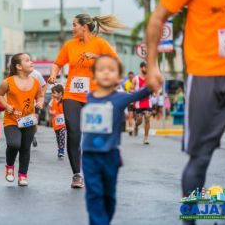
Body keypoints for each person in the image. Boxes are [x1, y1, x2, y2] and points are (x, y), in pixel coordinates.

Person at [146, 0, 225, 224]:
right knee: (200, 158)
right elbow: (158, 17)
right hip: (205, 78)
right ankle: (189, 221)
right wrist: (152, 65)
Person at [48, 13, 124, 188]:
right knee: (74, 133)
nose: (72, 28)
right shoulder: (69, 45)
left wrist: (97, 58)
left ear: (84, 27)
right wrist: (53, 73)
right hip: (72, 95)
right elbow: (57, 63)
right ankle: (77, 174)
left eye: (74, 24)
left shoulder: (100, 44)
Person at [81, 55, 150, 225]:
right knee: (94, 195)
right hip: (89, 156)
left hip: (110, 156)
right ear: (94, 75)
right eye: (101, 69)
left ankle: (103, 220)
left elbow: (146, 91)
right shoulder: (87, 98)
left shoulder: (121, 98)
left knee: (109, 198)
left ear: (119, 77)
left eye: (111, 70)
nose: (106, 73)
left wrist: (154, 72)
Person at [0, 53, 44, 186]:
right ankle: (10, 167)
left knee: (25, 148)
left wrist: (40, 102)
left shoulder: (35, 82)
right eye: (27, 60)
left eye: (30, 59)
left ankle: (23, 175)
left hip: (29, 120)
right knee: (14, 144)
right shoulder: (8, 82)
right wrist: (6, 106)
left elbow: (40, 96)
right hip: (12, 120)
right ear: (18, 66)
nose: (31, 62)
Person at [131, 62, 152, 144]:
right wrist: (133, 94)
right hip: (138, 102)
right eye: (145, 67)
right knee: (139, 120)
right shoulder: (135, 79)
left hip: (147, 101)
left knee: (147, 117)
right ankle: (136, 126)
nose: (147, 69)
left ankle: (146, 138)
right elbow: (131, 89)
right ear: (141, 68)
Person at [29, 69, 47, 147]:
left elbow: (44, 85)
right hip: (22, 101)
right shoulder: (17, 73)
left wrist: (41, 97)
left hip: (35, 101)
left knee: (34, 120)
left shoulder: (36, 74)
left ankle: (32, 135)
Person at [49, 84, 66, 159]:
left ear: (60, 93)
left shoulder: (64, 101)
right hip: (55, 123)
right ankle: (59, 149)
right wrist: (51, 112)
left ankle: (62, 150)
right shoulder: (52, 101)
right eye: (52, 93)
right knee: (58, 137)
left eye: (54, 92)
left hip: (63, 123)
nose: (53, 94)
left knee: (62, 135)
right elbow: (49, 109)